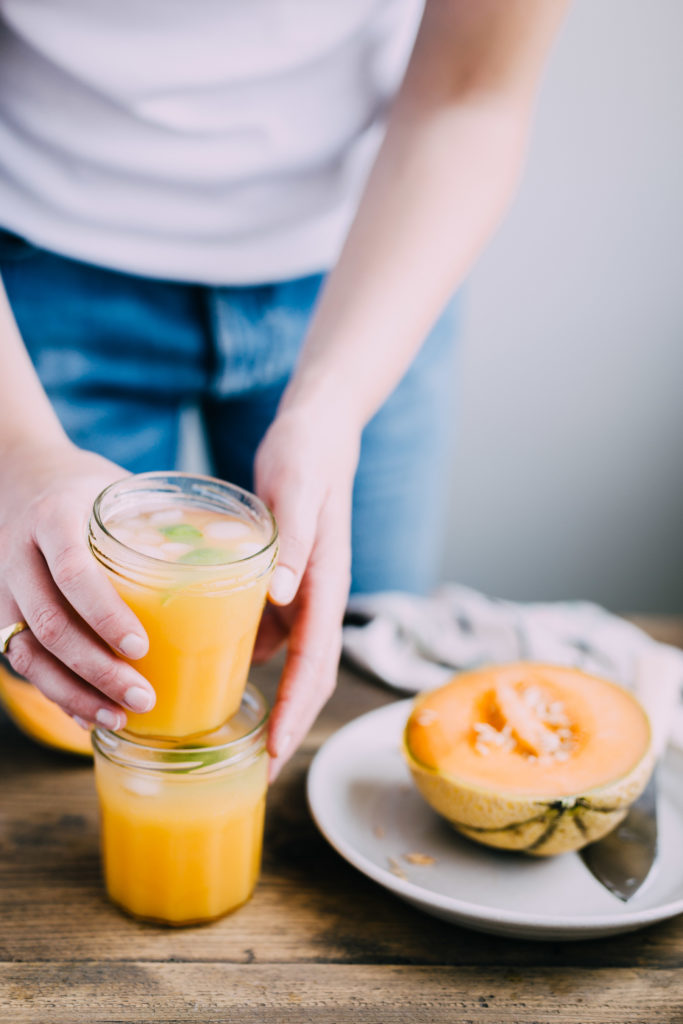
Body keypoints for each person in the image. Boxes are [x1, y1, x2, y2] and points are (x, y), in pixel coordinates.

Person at [0, 0, 567, 776]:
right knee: (65, 707)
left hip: (370, 259)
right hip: (36, 265)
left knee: (368, 675)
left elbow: (472, 91)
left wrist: (333, 405)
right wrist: (17, 446)